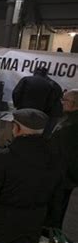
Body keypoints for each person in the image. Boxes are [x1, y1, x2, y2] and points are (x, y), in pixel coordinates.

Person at [0, 109, 62, 243]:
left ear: (17, 129)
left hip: (2, 222)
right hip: (33, 221)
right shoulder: (55, 156)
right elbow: (57, 192)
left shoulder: (4, 157)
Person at [46, 89, 78, 229]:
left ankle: (48, 236)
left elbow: (61, 155)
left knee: (54, 209)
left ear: (74, 104)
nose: (62, 103)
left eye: (65, 100)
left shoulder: (69, 127)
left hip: (60, 177)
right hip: (67, 177)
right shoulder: (70, 119)